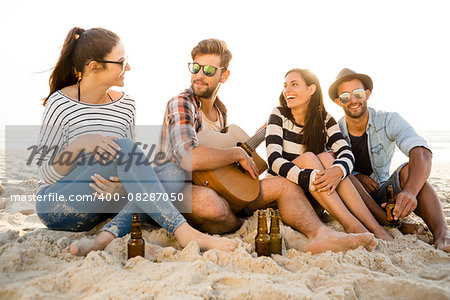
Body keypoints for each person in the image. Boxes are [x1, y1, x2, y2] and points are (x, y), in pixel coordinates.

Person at [155, 39, 378, 254]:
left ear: (224, 75)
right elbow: (188, 158)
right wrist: (236, 153)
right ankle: (232, 218)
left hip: (220, 186)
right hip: (179, 186)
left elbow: (217, 161)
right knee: (213, 206)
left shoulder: (221, 111)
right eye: (195, 67)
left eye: (209, 70)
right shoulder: (182, 103)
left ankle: (320, 235)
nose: (200, 74)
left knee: (283, 184)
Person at [35, 27, 237, 256]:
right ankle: (183, 232)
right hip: (59, 205)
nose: (128, 67)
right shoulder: (60, 103)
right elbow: (46, 173)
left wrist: (122, 186)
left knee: (173, 173)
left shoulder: (126, 105)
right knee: (125, 146)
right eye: (121, 62)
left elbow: (128, 166)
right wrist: (81, 143)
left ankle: (101, 240)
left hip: (104, 206)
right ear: (94, 66)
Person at [329, 68, 450, 252]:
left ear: (367, 94)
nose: (353, 100)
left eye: (358, 93)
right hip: (352, 200)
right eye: (345, 96)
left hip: (384, 194)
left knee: (412, 173)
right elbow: (329, 167)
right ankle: (396, 225)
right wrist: (358, 177)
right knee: (341, 173)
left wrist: (410, 191)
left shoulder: (388, 120)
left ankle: (442, 234)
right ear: (338, 102)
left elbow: (421, 151)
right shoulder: (333, 131)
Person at [265, 68, 392, 241]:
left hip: (315, 195)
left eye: (294, 84)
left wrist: (337, 171)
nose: (287, 90)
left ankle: (375, 227)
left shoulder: (324, 119)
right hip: (286, 190)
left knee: (329, 159)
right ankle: (352, 224)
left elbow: (346, 152)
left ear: (311, 89)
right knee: (311, 157)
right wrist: (309, 177)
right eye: (285, 85)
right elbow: (274, 161)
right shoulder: (278, 114)